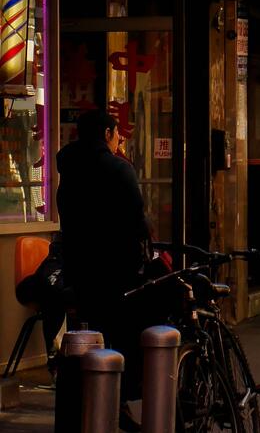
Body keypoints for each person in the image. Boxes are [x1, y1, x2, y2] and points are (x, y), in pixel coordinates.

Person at [56, 108, 149, 427]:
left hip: (80, 268)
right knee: (121, 335)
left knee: (88, 332)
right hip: (117, 269)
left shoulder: (69, 168)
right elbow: (138, 220)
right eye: (116, 132)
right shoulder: (118, 169)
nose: (120, 138)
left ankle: (90, 402)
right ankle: (117, 400)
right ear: (107, 134)